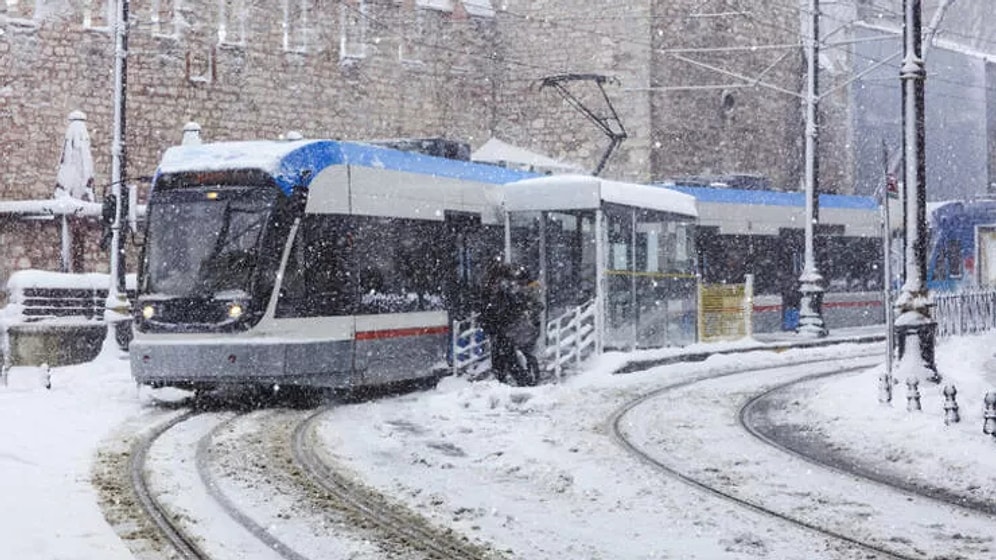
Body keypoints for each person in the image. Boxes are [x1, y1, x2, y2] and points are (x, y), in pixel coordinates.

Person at [478, 260, 542, 386]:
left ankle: (511, 380)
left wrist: (489, 321)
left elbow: (495, 309)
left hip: (504, 328)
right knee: (509, 356)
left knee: (504, 357)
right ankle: (521, 379)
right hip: (507, 327)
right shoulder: (506, 290)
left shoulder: (499, 291)